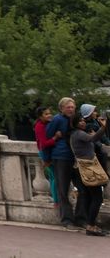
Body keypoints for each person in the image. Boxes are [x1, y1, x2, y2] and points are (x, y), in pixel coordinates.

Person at [69, 109, 108, 236]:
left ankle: (91, 224)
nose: (83, 122)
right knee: (97, 197)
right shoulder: (78, 134)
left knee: (93, 197)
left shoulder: (78, 134)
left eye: (83, 120)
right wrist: (103, 127)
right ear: (75, 123)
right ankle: (90, 226)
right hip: (87, 169)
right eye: (80, 121)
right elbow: (94, 138)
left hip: (88, 168)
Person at [47, 96, 84, 228]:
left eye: (72, 107)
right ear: (61, 108)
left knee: (83, 188)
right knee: (63, 190)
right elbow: (48, 135)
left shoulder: (77, 119)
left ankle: (81, 218)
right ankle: (67, 219)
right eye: (68, 107)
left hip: (77, 157)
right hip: (61, 157)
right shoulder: (57, 119)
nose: (71, 109)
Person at [33, 106, 59, 203]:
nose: (49, 115)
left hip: (48, 152)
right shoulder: (39, 126)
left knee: (53, 176)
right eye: (46, 114)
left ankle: (56, 200)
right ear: (40, 116)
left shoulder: (48, 124)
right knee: (54, 177)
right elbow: (44, 143)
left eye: (49, 113)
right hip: (45, 153)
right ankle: (56, 201)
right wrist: (55, 138)